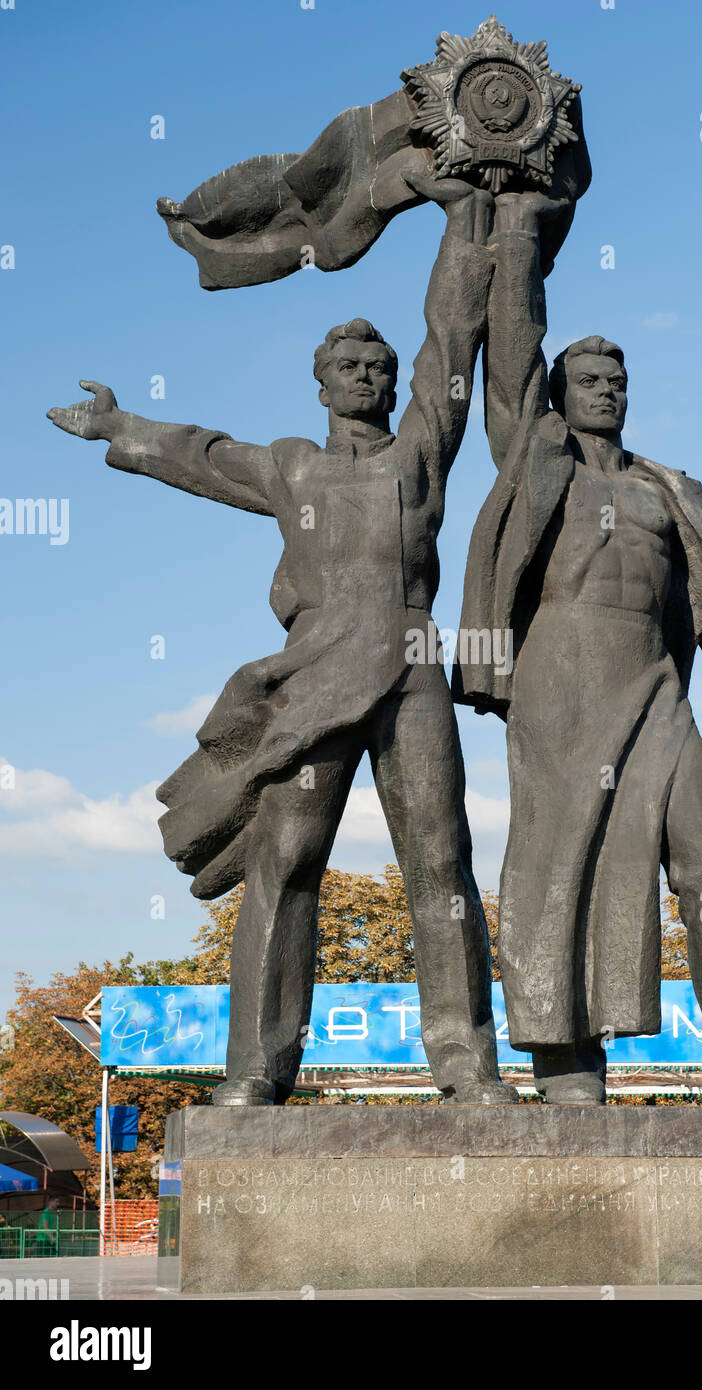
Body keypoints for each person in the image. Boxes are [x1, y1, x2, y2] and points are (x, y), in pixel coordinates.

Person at [48, 176, 516, 1108]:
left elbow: (450, 334)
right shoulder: (291, 464)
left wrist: (468, 216)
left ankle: (464, 1060)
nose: (368, 376)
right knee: (288, 856)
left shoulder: (419, 448)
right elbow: (202, 455)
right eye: (349, 365)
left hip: (414, 668)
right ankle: (259, 1066)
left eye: (378, 366)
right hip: (315, 675)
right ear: (320, 380)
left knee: (439, 859)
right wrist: (119, 425)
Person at [453, 191, 702, 1105]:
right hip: (556, 693)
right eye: (590, 380)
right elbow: (510, 356)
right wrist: (517, 233)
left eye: (618, 380)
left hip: (657, 693)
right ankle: (564, 1062)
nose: (608, 391)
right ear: (559, 396)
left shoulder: (671, 492)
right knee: (558, 865)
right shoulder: (535, 465)